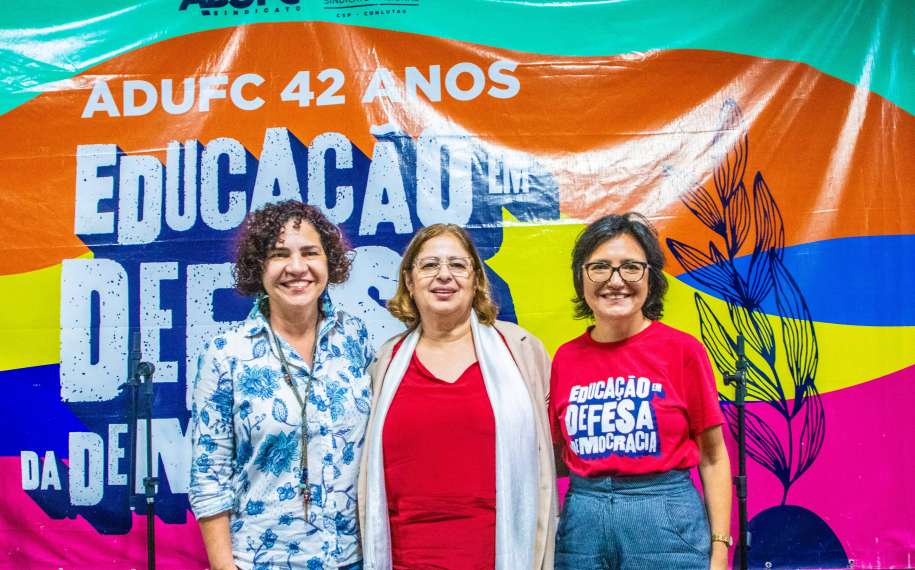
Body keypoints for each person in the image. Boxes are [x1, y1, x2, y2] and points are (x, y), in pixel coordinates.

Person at [358, 223, 557, 570]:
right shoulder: (385, 362)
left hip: (500, 556)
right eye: (429, 265)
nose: (444, 275)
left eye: (457, 264)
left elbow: (553, 451)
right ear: (409, 281)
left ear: (476, 279)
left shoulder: (522, 351)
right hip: (405, 559)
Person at [189, 201, 373, 570]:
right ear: (259, 266)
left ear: (329, 261)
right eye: (279, 254)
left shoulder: (354, 336)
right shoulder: (227, 353)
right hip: (262, 560)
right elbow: (209, 475)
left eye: (310, 253)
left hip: (352, 559)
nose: (297, 267)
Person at [550, 213, 732, 570]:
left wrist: (720, 548)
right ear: (581, 278)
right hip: (582, 525)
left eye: (631, 267)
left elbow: (713, 457)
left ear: (651, 277)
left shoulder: (682, 351)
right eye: (600, 267)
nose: (616, 280)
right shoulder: (565, 359)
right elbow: (555, 455)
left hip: (666, 521)